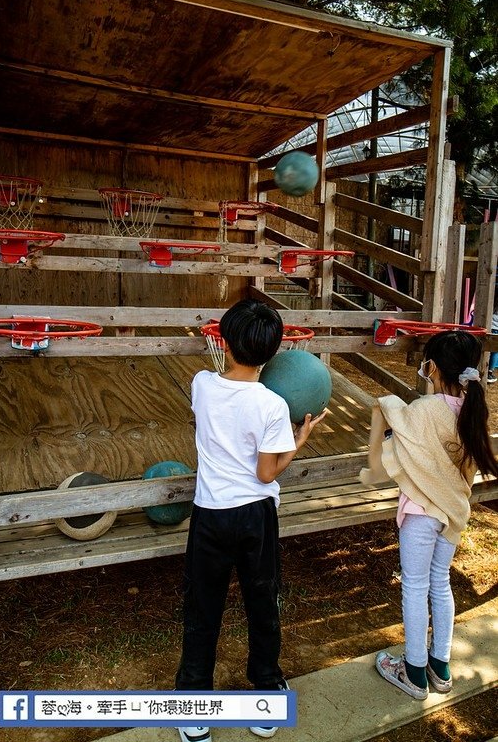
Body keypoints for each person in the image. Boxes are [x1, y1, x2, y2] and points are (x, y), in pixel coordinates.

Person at [175, 299, 325, 742]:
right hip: (255, 517)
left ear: (223, 341)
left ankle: (194, 704)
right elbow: (265, 473)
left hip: (210, 515)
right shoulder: (273, 405)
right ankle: (266, 693)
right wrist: (298, 442)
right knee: (262, 604)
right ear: (275, 352)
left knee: (203, 608)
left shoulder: (201, 383)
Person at [360, 330, 498, 701]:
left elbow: (387, 452)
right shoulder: (472, 411)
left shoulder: (424, 410)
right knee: (440, 583)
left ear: (431, 368)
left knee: (415, 587)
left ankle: (414, 671)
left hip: (421, 512)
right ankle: (441, 667)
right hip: (451, 513)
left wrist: (385, 404)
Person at [487, 293, 498, 383]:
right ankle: (489, 372)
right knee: (495, 352)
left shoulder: (493, 299)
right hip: (496, 329)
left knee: (487, 350)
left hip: (489, 326)